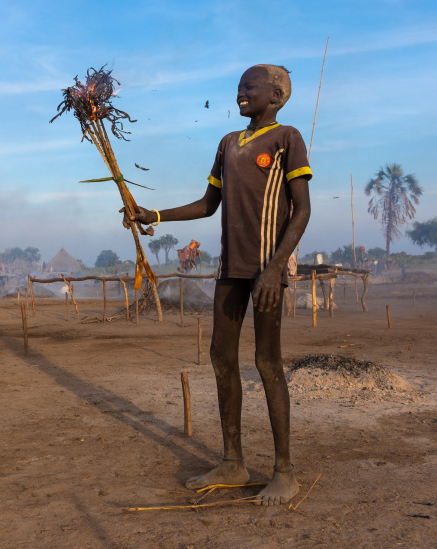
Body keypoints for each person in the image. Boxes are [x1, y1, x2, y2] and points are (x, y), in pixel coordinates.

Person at [122, 64, 312, 505]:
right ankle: (233, 461)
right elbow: (209, 204)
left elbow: (301, 211)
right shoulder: (228, 144)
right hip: (231, 270)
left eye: (250, 86)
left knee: (268, 362)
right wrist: (155, 215)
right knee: (220, 356)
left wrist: (275, 267)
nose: (241, 92)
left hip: (266, 270)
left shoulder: (287, 139)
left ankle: (284, 471)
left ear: (277, 95)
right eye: (239, 87)